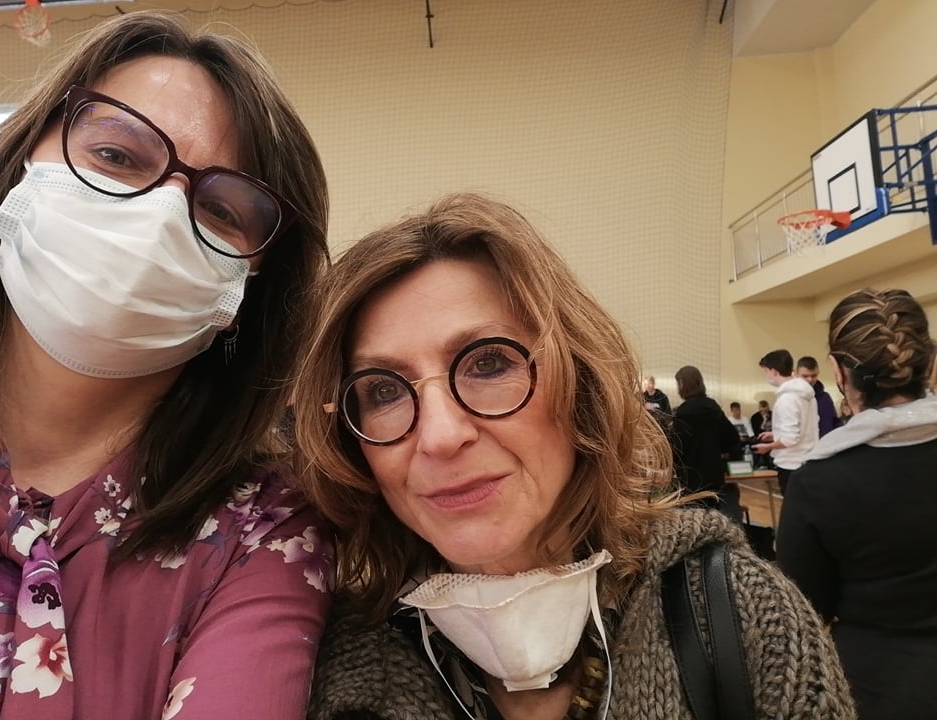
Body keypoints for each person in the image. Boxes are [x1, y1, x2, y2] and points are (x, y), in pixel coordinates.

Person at [294, 194, 855, 720]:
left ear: (580, 386)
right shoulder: (324, 667)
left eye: (488, 363)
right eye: (383, 391)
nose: (440, 437)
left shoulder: (742, 615)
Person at [0, 11, 333, 719]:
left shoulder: (264, 529)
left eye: (223, 211)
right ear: (22, 161)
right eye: (116, 155)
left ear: (249, 291)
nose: (161, 217)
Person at [777, 288, 937, 720]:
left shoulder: (818, 481)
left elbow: (805, 605)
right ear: (929, 361)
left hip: (877, 685)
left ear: (836, 370)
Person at [670, 366, 742, 522]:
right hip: (714, 475)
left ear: (682, 385)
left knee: (694, 521)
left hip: (690, 478)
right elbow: (732, 438)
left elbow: (677, 448)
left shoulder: (683, 413)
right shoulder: (713, 408)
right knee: (713, 519)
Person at [754, 349, 819, 494]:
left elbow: (790, 439)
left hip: (791, 464)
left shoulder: (787, 399)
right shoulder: (809, 396)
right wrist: (775, 434)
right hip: (807, 460)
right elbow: (806, 427)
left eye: (766, 371)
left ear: (774, 371)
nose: (766, 375)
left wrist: (768, 447)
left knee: (793, 505)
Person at [796, 355, 840, 436]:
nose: (810, 379)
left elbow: (834, 423)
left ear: (818, 373)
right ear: (797, 374)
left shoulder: (825, 398)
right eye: (805, 376)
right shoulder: (790, 398)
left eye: (813, 376)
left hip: (826, 441)